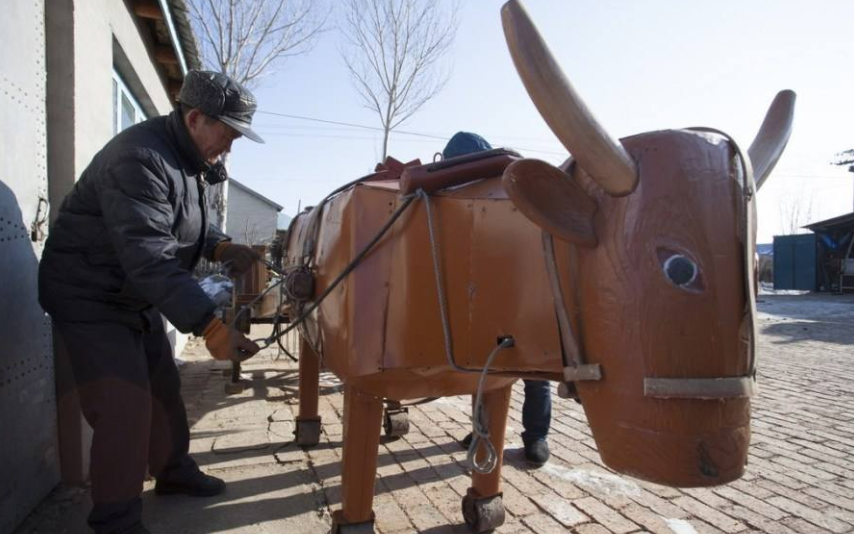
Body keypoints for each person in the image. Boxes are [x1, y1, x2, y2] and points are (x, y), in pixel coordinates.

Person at [39, 70, 266, 534]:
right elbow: (148, 252)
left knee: (163, 389)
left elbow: (183, 226)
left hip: (131, 292)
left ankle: (173, 472)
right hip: (89, 295)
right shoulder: (138, 159)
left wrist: (219, 246)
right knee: (124, 404)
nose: (229, 146)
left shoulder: (191, 163)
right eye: (227, 133)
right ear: (196, 117)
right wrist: (209, 326)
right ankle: (116, 519)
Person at [443, 131, 552, 467]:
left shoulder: (519, 193)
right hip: (487, 296)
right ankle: (482, 430)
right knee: (485, 367)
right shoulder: (458, 198)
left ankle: (536, 437)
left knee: (536, 371)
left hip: (530, 295)